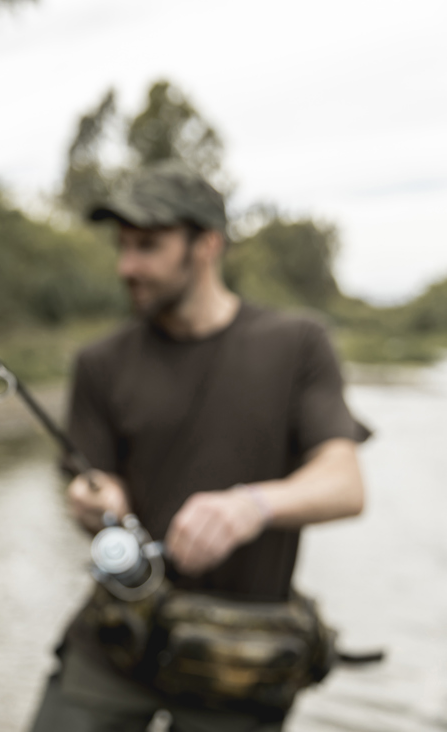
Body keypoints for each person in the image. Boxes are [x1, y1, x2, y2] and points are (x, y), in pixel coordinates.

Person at [29, 162, 369, 732]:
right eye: (122, 247)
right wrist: (94, 501)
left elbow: (345, 484)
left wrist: (252, 506)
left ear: (206, 245)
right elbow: (93, 483)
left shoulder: (298, 343)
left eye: (147, 247)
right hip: (117, 637)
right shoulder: (98, 363)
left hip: (242, 657)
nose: (126, 266)